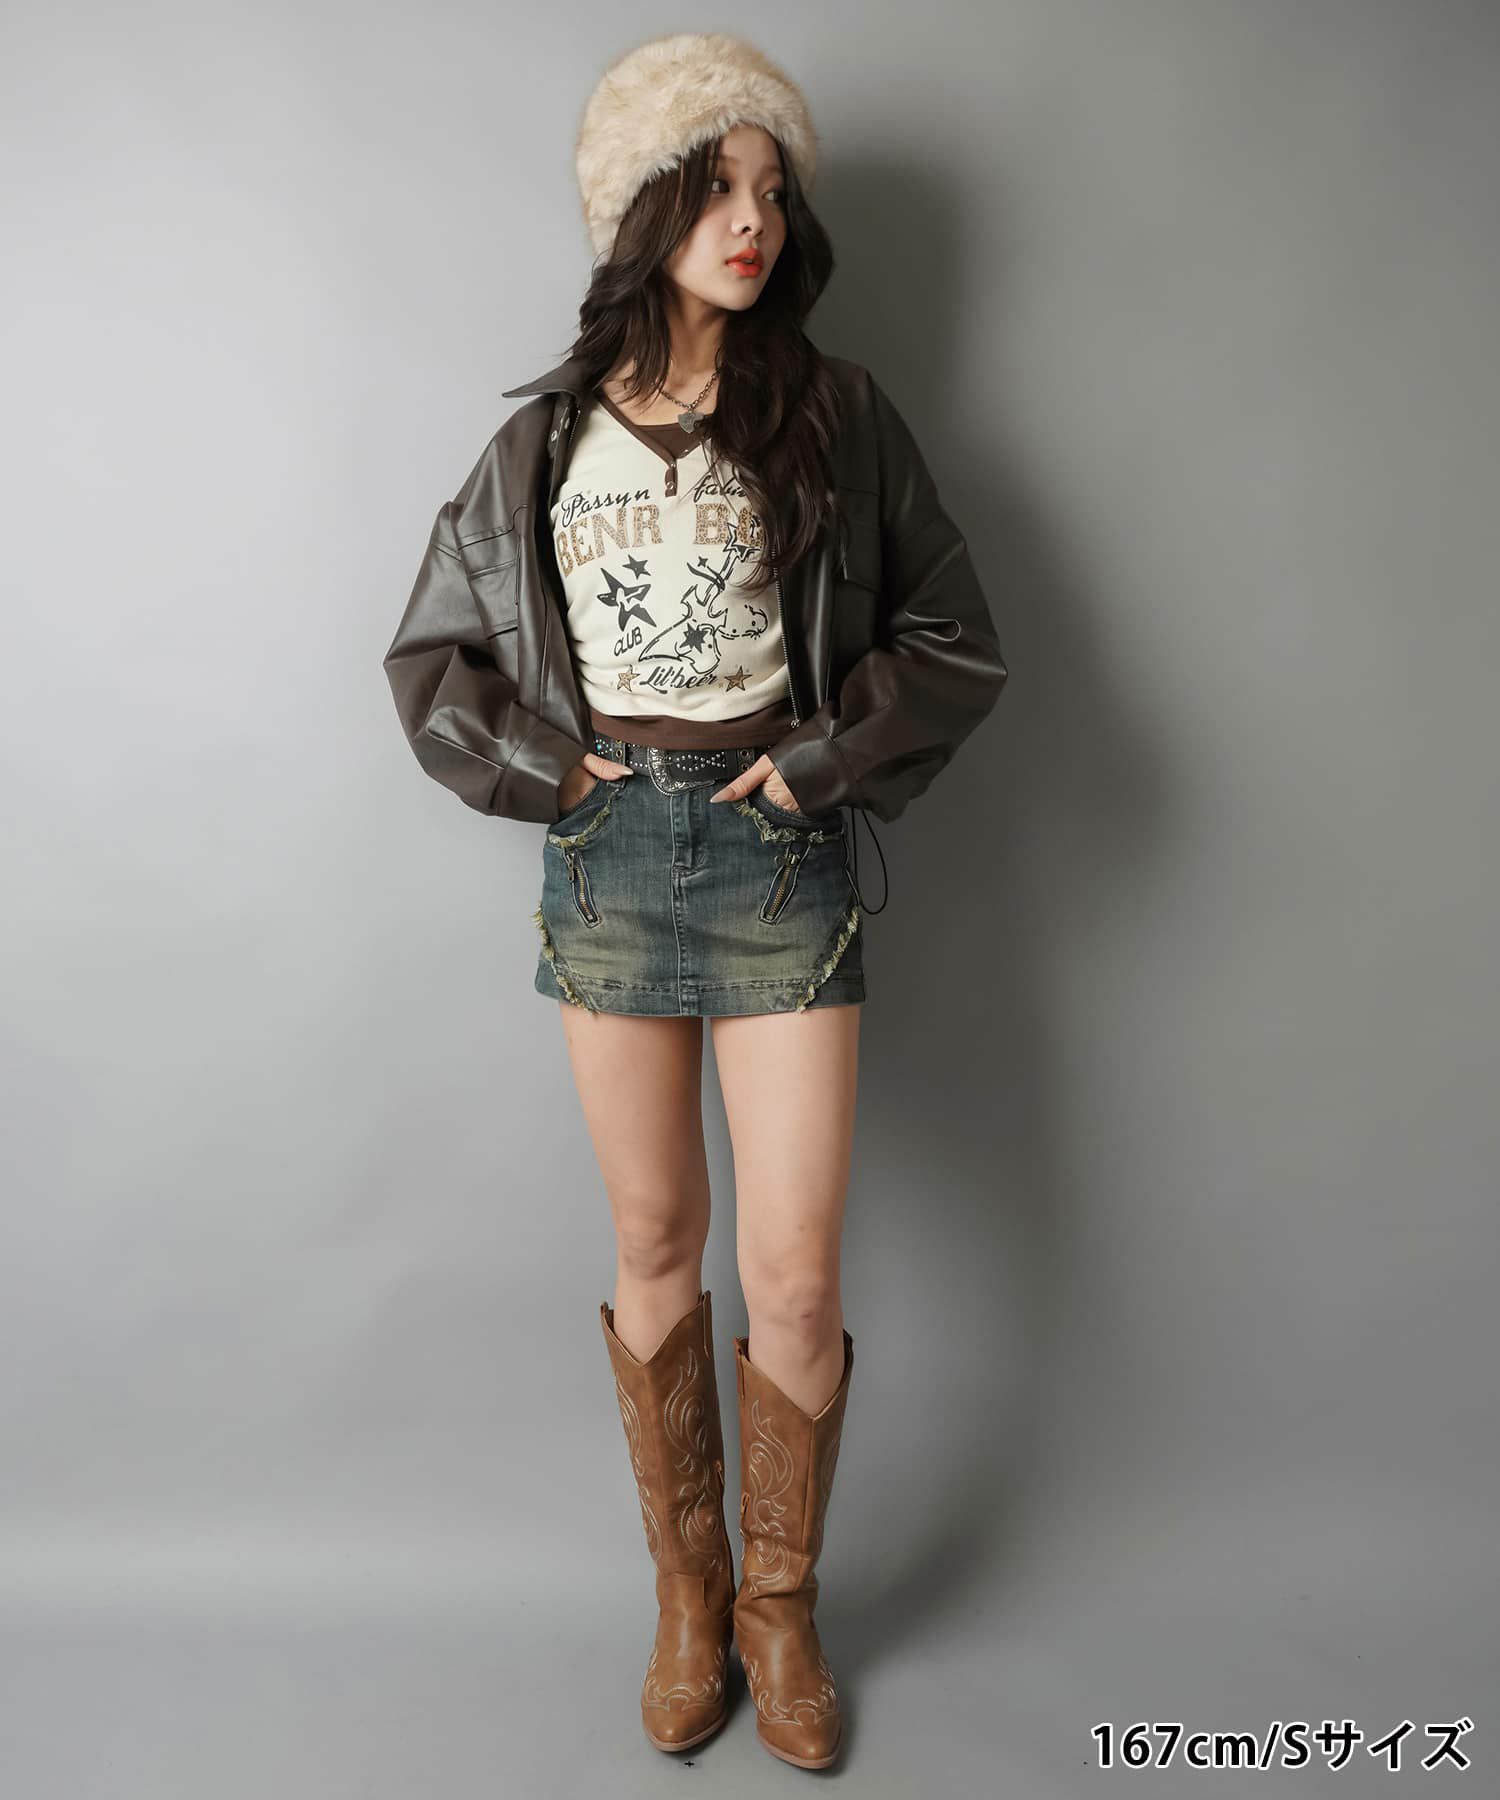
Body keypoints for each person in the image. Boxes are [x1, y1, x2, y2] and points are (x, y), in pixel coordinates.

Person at [383, 31, 1007, 1772]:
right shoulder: (543, 443)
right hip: (610, 857)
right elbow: (431, 660)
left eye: (771, 190)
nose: (752, 221)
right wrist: (553, 775)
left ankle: (780, 1609)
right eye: (717, 186)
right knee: (657, 1244)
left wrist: (818, 767)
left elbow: (954, 636)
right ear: (643, 208)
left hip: (777, 856)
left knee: (793, 1273)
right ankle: (687, 1594)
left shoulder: (837, 414)